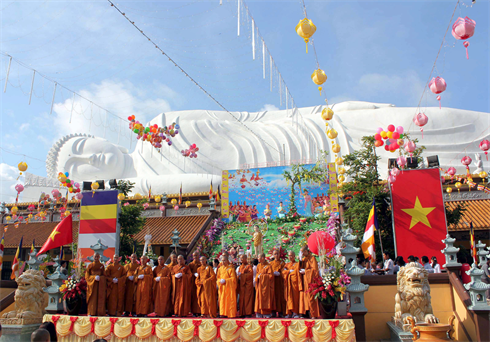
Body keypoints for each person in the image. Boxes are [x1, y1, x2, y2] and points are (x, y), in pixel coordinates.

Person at [299, 246, 320, 318]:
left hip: (311, 281)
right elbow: (299, 267)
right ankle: (307, 313)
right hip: (305, 281)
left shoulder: (312, 258)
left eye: (302, 252)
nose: (301, 253)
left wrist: (306, 271)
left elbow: (315, 271)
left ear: (305, 251)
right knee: (306, 298)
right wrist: (300, 260)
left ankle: (314, 314)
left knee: (312, 298)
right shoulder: (304, 259)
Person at [216, 252, 238, 318]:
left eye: (224, 260)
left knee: (229, 300)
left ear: (227, 260)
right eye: (222, 261)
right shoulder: (220, 269)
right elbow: (218, 278)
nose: (223, 262)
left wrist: (226, 280)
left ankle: (230, 314)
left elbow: (233, 278)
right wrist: (219, 281)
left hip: (229, 288)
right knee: (222, 300)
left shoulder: (230, 268)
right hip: (222, 288)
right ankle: (222, 313)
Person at [255, 253, 275, 318]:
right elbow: (257, 275)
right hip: (260, 286)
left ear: (262, 258)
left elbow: (271, 276)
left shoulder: (269, 266)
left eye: (259, 257)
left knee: (266, 299)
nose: (258, 259)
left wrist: (262, 276)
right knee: (259, 298)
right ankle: (259, 312)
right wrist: (258, 277)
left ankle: (266, 313)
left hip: (266, 287)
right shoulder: (258, 266)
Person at [283, 251, 302, 318]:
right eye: (289, 255)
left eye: (291, 255)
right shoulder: (287, 264)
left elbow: (297, 273)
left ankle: (295, 312)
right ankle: (289, 313)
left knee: (295, 298)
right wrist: (288, 271)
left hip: (294, 284)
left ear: (294, 256)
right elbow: (283, 272)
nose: (290, 257)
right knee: (288, 298)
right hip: (288, 284)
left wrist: (289, 272)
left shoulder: (297, 264)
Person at [270, 249, 286, 317]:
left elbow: (284, 271)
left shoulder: (282, 263)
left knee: (280, 296)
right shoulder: (271, 263)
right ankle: (273, 311)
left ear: (280, 255)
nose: (276, 255)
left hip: (279, 282)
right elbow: (269, 271)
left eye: (277, 254)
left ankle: (280, 312)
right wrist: (272, 273)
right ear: (273, 255)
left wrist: (280, 273)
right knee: (273, 296)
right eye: (275, 254)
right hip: (272, 282)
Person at [188, 251, 201, 317]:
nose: (195, 257)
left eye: (196, 255)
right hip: (193, 283)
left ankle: (199, 311)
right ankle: (193, 311)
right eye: (194, 256)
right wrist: (193, 274)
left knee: (199, 296)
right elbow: (188, 274)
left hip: (199, 283)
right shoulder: (190, 265)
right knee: (193, 297)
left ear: (198, 256)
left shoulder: (201, 264)